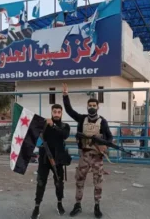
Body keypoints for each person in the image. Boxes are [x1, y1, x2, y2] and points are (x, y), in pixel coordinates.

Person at [62, 83, 113, 218]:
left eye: (94, 106)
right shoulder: (81, 119)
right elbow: (69, 110)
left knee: (98, 182)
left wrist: (104, 146)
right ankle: (77, 205)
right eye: (89, 106)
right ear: (87, 106)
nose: (91, 108)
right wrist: (65, 95)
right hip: (84, 155)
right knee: (80, 180)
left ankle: (97, 206)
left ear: (98, 107)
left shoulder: (102, 122)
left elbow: (109, 137)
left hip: (97, 156)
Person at [30, 104, 71, 219]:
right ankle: (36, 207)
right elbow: (32, 129)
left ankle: (59, 203)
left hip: (58, 160)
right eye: (55, 112)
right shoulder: (44, 125)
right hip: (44, 159)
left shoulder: (65, 126)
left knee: (59, 183)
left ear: (61, 113)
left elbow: (64, 135)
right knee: (41, 182)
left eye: (59, 112)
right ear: (52, 112)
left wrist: (53, 126)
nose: (56, 114)